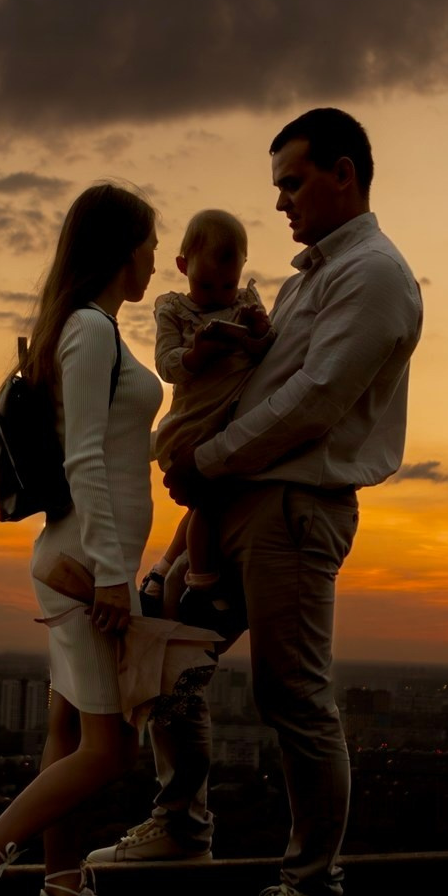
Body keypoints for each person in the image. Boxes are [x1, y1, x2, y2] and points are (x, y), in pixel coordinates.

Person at [89, 108, 422, 896]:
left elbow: (314, 401)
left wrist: (210, 459)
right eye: (277, 186)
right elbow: (252, 386)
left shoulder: (374, 274)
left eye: (293, 182)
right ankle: (182, 824)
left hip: (294, 509)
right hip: (234, 502)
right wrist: (197, 498)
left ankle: (315, 887)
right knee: (162, 638)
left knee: (292, 693)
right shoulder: (309, 278)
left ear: (343, 174)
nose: (280, 203)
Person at [0, 182, 169, 896]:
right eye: (149, 243)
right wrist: (110, 577)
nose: (156, 258)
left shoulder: (88, 330)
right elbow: (85, 457)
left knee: (66, 733)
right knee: (111, 750)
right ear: (121, 247)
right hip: (83, 569)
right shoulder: (91, 332)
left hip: (79, 560)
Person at [140, 209, 271, 630]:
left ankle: (162, 572)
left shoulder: (245, 302)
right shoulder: (175, 312)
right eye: (205, 285)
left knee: (213, 504)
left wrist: (258, 330)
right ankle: (202, 580)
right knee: (208, 504)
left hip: (229, 422)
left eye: (227, 284)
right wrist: (196, 354)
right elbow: (166, 364)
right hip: (194, 425)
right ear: (183, 267)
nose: (217, 295)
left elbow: (264, 354)